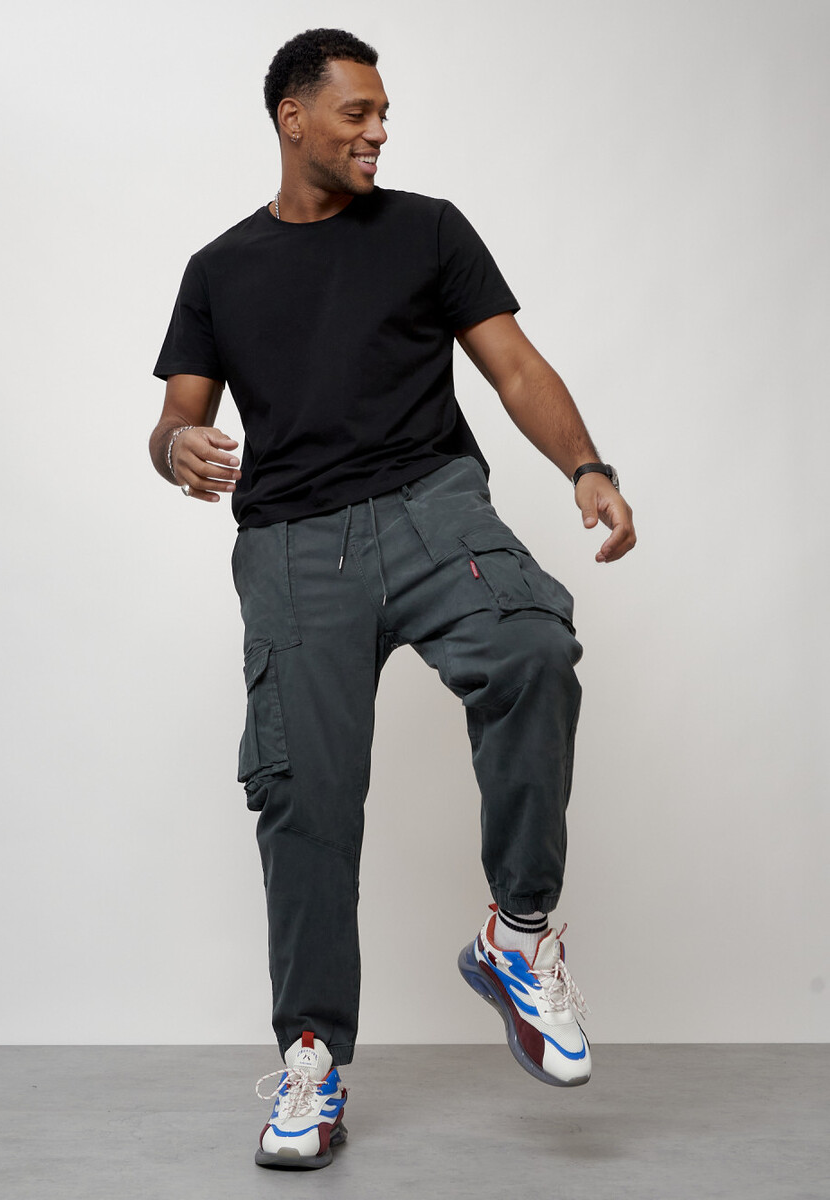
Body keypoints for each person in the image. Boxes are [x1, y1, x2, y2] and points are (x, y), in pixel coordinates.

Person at [149, 27, 636, 1171]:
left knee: (532, 646)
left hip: (431, 508)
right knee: (305, 800)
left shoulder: (428, 230)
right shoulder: (220, 269)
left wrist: (586, 467)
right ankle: (312, 1061)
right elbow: (176, 413)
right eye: (357, 112)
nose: (378, 131)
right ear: (293, 118)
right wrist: (178, 449)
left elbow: (514, 365)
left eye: (383, 114)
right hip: (293, 544)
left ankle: (519, 935)